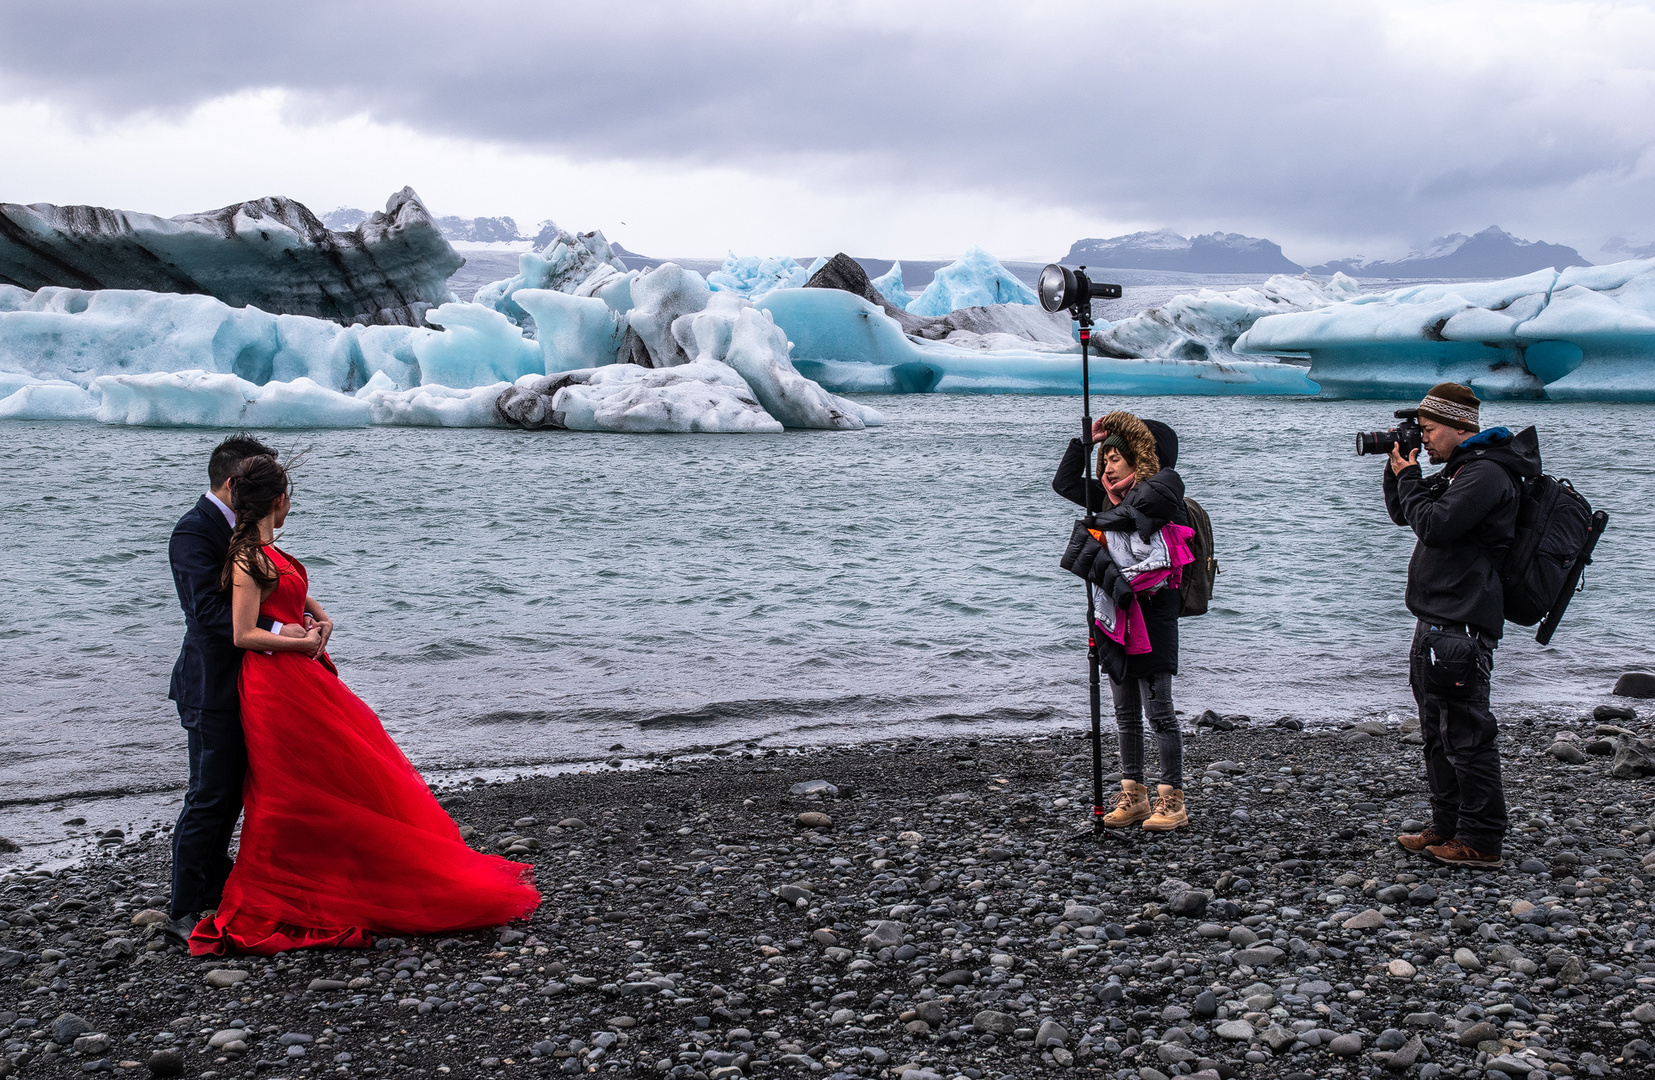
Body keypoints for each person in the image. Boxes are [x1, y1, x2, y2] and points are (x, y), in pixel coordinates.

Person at [189, 454, 539, 954]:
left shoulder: (273, 552)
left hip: (302, 679)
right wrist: (301, 644)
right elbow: (244, 633)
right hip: (273, 684)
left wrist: (320, 624)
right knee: (291, 791)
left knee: (338, 776)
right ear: (279, 501)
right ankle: (289, 893)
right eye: (290, 497)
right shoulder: (247, 555)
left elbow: (297, 602)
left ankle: (341, 881)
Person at [1383, 382, 1538, 869]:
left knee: (1467, 734)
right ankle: (1448, 825)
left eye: (1428, 430)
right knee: (1437, 730)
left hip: (1461, 625)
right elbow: (1404, 515)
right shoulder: (1461, 471)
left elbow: (1434, 525)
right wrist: (1398, 473)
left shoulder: (1487, 474)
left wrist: (1410, 478)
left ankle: (1482, 839)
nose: (1423, 439)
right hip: (1437, 620)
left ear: (1458, 426)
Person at [164, 434, 308, 945]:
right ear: (231, 481)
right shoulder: (193, 533)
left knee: (230, 798)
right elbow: (205, 613)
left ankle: (211, 888)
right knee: (209, 797)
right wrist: (275, 632)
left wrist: (307, 614)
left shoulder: (247, 531)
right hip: (211, 686)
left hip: (250, 686)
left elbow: (271, 582)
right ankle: (181, 911)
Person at [1054, 411, 1193, 831]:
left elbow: (1165, 563)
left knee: (1160, 713)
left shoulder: (1162, 503)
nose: (1108, 466)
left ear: (1141, 460)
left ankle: (1173, 802)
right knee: (1125, 713)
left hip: (1153, 620)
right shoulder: (1106, 500)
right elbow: (1063, 484)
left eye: (1117, 457)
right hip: (1113, 617)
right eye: (1106, 459)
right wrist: (1085, 443)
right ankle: (1133, 796)